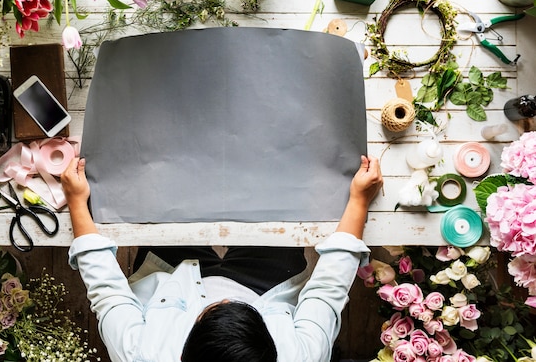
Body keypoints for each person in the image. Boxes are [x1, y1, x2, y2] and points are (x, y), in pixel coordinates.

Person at [62, 154, 383, 362]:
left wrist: (77, 202)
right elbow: (327, 290)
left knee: (163, 180)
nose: (227, 298)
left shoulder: (144, 355)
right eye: (240, 310)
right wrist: (357, 202)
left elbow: (108, 292)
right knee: (277, 183)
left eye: (213, 310)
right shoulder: (300, 356)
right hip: (265, 286)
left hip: (174, 279)